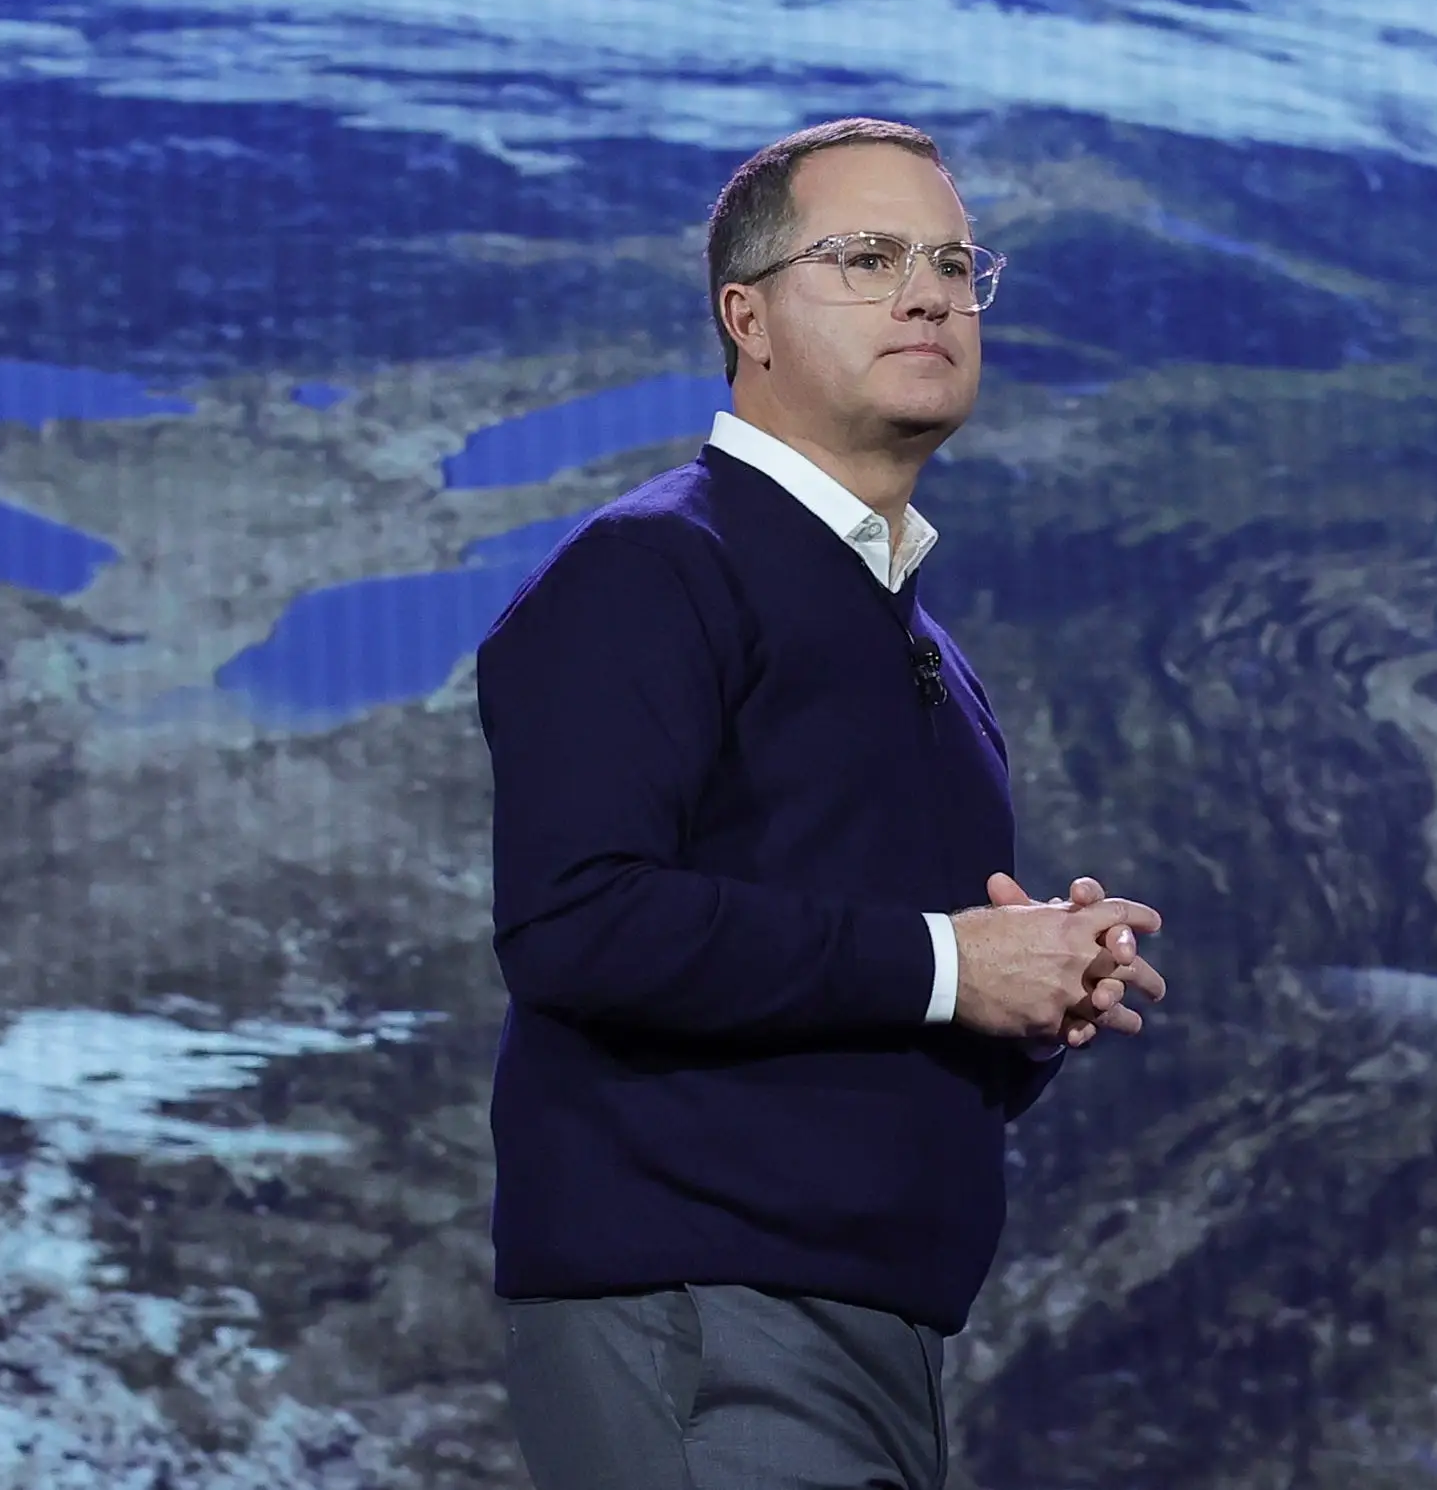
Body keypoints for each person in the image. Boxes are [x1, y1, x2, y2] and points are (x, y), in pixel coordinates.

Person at [475, 116, 1168, 1490]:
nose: (927, 292)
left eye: (955, 263)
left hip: (869, 1338)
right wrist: (947, 961)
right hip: (703, 1319)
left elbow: (852, 1009)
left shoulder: (928, 650)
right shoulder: (651, 569)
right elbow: (576, 921)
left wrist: (1024, 1003)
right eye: (867, 256)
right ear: (750, 317)